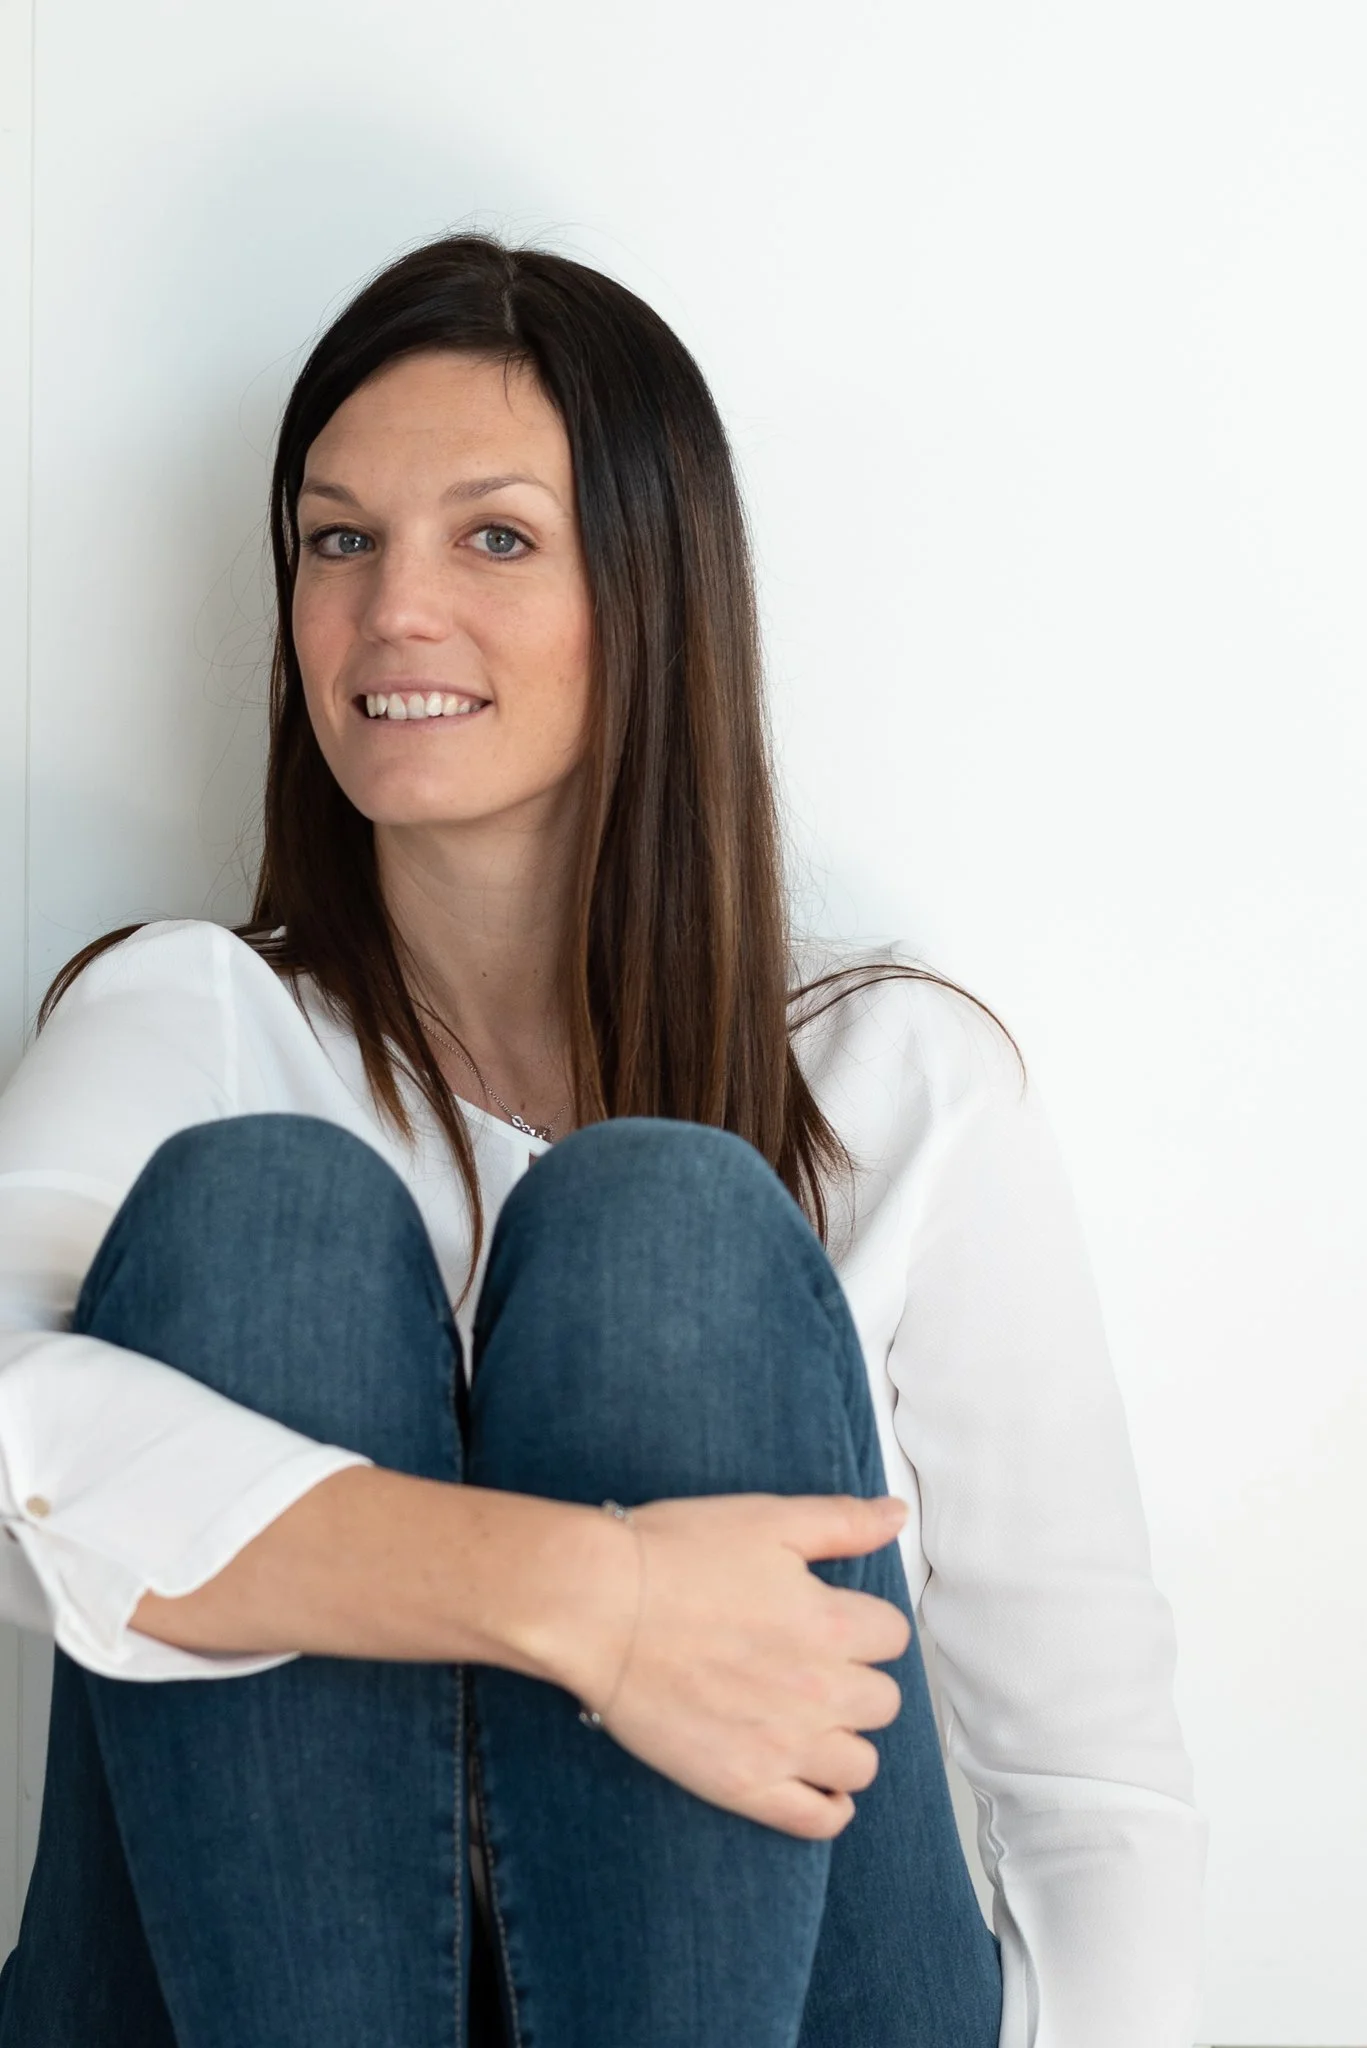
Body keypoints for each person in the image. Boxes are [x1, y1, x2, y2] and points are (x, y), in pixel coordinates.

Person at [0, 232, 1203, 2048]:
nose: (394, 606)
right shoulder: (188, 1020)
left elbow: (1088, 1780)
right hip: (243, 1988)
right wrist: (594, 1600)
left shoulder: (895, 1080)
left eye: (493, 536)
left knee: (670, 1232)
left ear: (645, 591)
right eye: (339, 539)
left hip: (782, 1992)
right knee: (266, 1221)